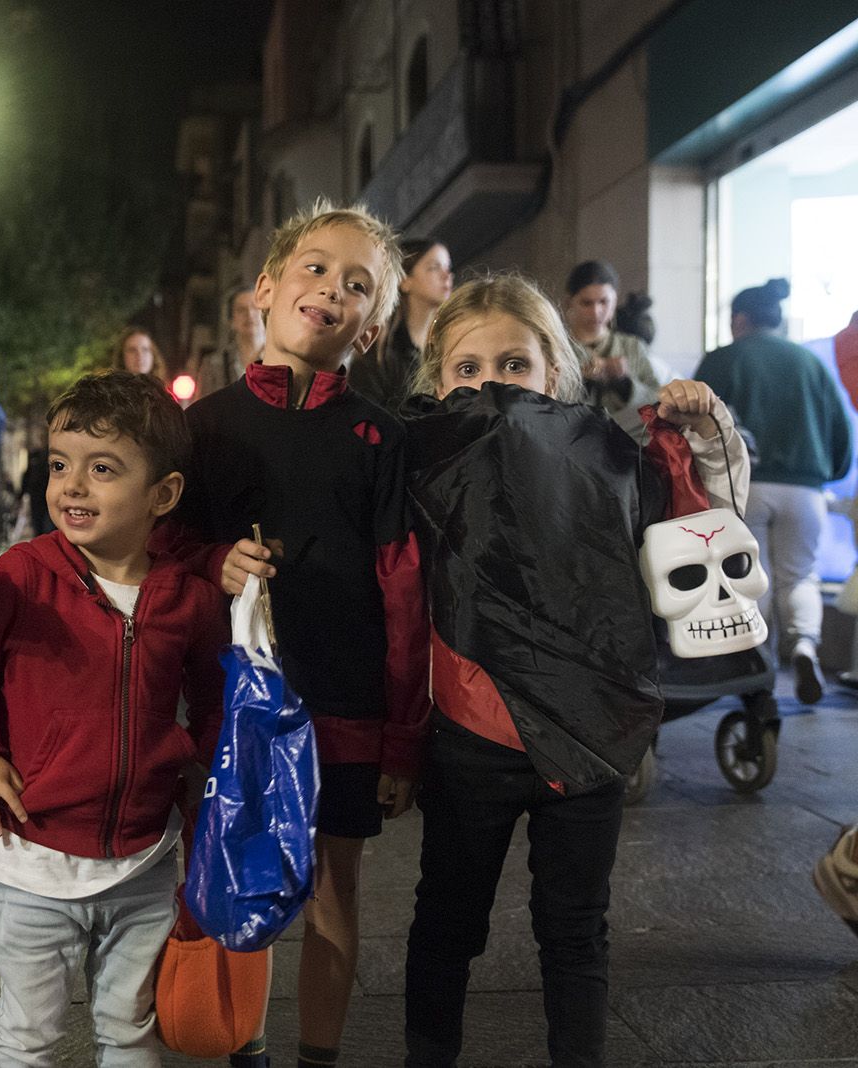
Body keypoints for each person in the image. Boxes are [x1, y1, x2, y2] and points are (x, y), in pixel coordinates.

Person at [399, 274, 748, 1068]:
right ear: (437, 380)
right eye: (469, 369)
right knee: (449, 923)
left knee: (575, 930)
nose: (492, 386)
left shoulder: (615, 452)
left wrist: (703, 422)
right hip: (472, 738)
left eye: (514, 365)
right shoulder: (412, 456)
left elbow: (709, 523)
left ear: (555, 369)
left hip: (587, 745)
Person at [162, 199, 429, 1068]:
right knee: (232, 871)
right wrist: (215, 565)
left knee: (332, 890)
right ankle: (244, 1041)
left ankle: (319, 1055)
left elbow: (403, 591)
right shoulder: (203, 431)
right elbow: (162, 556)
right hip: (228, 703)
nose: (332, 290)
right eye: (315, 268)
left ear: (377, 322)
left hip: (345, 701)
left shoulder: (381, 438)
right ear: (266, 287)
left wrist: (401, 739)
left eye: (358, 285)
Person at [0, 370, 225, 1066]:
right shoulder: (22, 577)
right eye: (61, 465)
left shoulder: (188, 599)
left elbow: (216, 695)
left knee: (131, 1030)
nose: (72, 486)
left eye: (103, 469)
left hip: (146, 864)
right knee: (26, 1035)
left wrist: (206, 769)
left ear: (163, 495)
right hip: (34, 861)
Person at [696, 278, 852, 705]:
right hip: (806, 490)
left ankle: (759, 669)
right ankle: (804, 646)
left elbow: (694, 426)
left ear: (741, 320)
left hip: (745, 485)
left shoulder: (723, 360)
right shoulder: (809, 363)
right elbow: (840, 435)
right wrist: (822, 474)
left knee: (753, 575)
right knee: (799, 576)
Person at [347, 237, 452, 409]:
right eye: (434, 268)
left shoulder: (447, 348)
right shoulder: (380, 355)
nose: (447, 276)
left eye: (448, 267)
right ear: (405, 281)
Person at [563, 260, 663, 437]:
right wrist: (583, 382)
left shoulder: (632, 347)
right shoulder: (558, 348)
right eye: (586, 303)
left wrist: (624, 384)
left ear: (615, 300)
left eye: (603, 302)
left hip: (630, 447)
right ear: (570, 302)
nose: (595, 311)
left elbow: (657, 402)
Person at [197, 285, 266, 398]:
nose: (249, 314)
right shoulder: (214, 364)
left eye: (255, 307)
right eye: (241, 310)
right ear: (230, 320)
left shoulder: (281, 360)